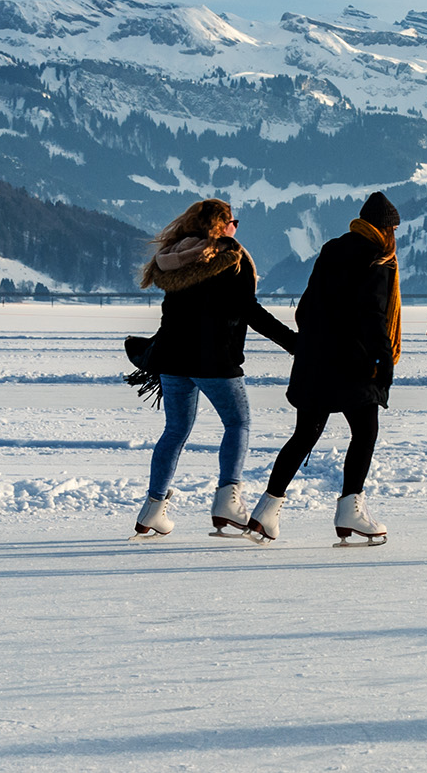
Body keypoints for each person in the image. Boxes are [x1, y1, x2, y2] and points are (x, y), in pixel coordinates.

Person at [131, 199, 297, 539]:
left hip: (173, 360)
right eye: (233, 221)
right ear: (221, 226)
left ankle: (152, 509)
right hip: (215, 360)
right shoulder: (228, 259)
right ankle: (227, 500)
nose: (236, 228)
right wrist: (295, 343)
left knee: (175, 431)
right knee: (238, 423)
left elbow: (171, 314)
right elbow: (249, 309)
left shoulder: (175, 257)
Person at [247, 191, 402, 546]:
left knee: (306, 433)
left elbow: (305, 308)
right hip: (353, 365)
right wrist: (382, 361)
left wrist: (314, 343)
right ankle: (350, 510)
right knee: (364, 433)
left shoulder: (332, 250)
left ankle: (266, 510)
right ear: (387, 229)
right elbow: (374, 315)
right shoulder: (379, 258)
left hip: (316, 361)